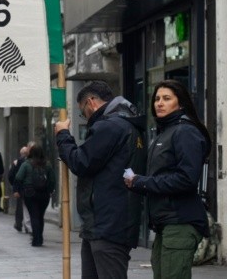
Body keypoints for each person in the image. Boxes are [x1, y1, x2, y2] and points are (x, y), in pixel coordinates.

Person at [55, 80, 146, 279]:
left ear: (90, 102)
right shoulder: (127, 125)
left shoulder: (111, 126)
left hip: (107, 225)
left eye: (82, 112)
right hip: (105, 224)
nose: (85, 117)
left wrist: (63, 135)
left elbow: (81, 162)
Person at [125, 79, 212, 279]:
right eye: (156, 99)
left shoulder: (185, 131)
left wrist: (143, 182)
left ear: (180, 103)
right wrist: (137, 182)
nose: (159, 103)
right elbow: (162, 177)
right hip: (166, 224)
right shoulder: (165, 133)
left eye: (166, 98)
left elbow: (186, 178)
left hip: (180, 222)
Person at [14, 145, 55, 246]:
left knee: (34, 215)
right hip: (44, 194)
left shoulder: (26, 164)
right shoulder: (48, 165)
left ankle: (36, 239)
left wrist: (18, 189)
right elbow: (52, 180)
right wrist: (49, 191)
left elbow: (18, 177)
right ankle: (39, 238)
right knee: (40, 216)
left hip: (30, 193)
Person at [8, 145, 30, 234]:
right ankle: (27, 225)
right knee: (28, 207)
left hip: (20, 188)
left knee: (20, 207)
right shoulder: (30, 162)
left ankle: (18, 224)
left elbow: (10, 176)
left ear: (21, 153)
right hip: (29, 188)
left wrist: (14, 187)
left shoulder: (16, 162)